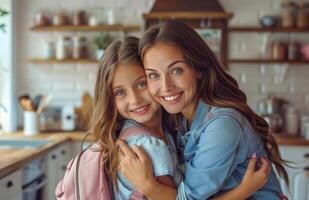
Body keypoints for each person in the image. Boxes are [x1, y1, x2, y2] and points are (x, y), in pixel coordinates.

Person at [58, 36, 269, 200]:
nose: (135, 100)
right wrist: (243, 192)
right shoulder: (147, 145)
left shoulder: (169, 130)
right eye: (120, 92)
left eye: (142, 83)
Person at [117, 20, 289, 200]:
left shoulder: (222, 125)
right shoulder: (181, 119)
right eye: (153, 75)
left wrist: (147, 185)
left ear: (198, 69)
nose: (166, 86)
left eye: (176, 71)